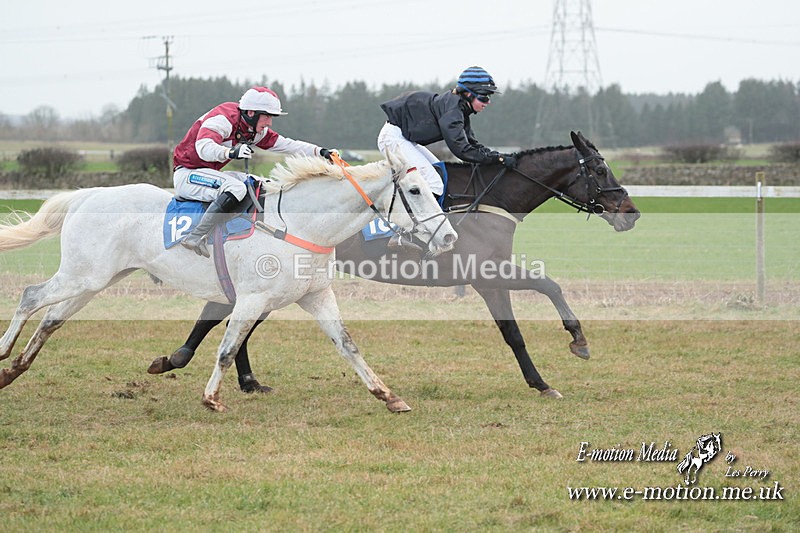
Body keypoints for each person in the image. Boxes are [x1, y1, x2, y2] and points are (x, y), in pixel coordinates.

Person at [173, 86, 336, 257]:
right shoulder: (224, 118)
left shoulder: (253, 130)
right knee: (236, 188)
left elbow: (287, 144)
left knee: (261, 183)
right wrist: (230, 152)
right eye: (267, 116)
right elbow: (203, 148)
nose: (269, 123)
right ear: (251, 113)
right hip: (187, 173)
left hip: (207, 174)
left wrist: (320, 152)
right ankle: (195, 236)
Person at [377, 66, 516, 199]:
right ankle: (407, 216)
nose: (488, 102)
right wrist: (497, 159)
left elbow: (473, 145)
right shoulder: (452, 112)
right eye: (484, 97)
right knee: (435, 184)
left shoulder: (459, 110)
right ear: (468, 94)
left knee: (441, 173)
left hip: (405, 139)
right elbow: (463, 151)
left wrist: (500, 157)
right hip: (393, 138)